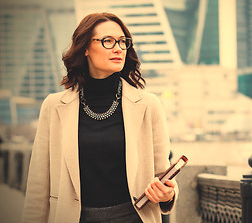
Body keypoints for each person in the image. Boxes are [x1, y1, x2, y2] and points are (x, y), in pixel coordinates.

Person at [22, 12, 178, 223]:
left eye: (123, 42)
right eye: (108, 41)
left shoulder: (148, 105)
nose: (118, 48)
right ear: (85, 48)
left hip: (133, 217)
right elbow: (38, 187)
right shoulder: (54, 106)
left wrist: (167, 193)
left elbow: (162, 175)